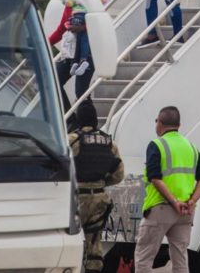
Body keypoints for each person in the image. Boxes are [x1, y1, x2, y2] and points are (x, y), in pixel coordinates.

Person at [134, 106, 200, 273]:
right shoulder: (191, 147)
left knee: (144, 258)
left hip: (160, 208)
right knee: (180, 259)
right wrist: (192, 201)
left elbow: (155, 178)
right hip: (185, 212)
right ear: (179, 125)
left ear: (160, 123)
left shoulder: (156, 145)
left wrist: (174, 202)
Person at [68, 102, 124, 273]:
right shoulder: (109, 143)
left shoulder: (72, 140)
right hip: (99, 199)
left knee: (69, 241)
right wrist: (99, 184)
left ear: (79, 119)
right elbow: (118, 175)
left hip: (76, 199)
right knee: (94, 243)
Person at [68, 0, 105, 78]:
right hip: (88, 15)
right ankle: (83, 59)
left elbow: (68, 3)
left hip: (76, 16)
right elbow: (104, 1)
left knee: (77, 39)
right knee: (85, 38)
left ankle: (75, 61)